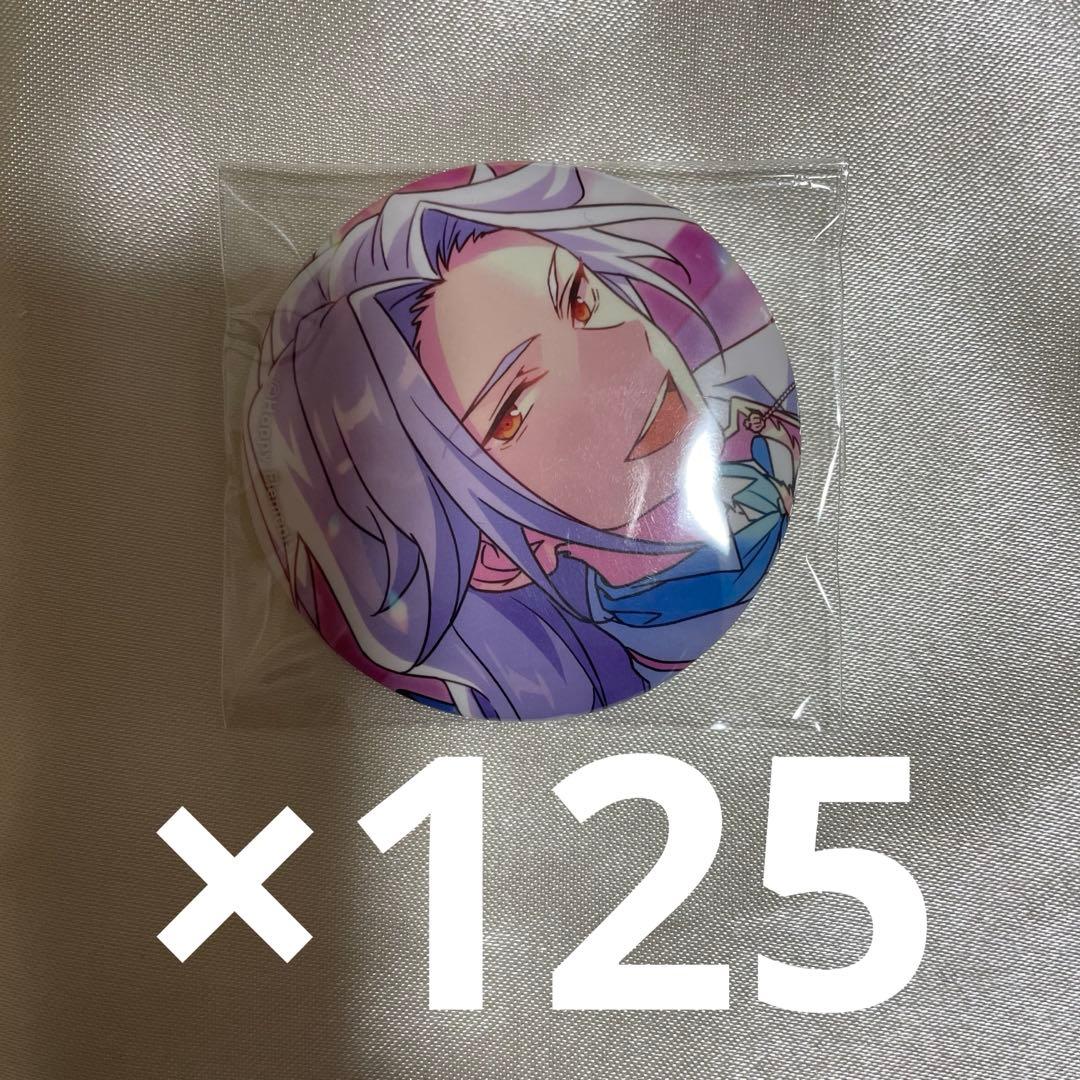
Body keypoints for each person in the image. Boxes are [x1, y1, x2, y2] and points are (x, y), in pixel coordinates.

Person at [245, 163, 799, 719]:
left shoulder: (757, 428)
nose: (621, 351)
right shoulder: (626, 649)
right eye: (513, 411)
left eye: (580, 302)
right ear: (490, 556)